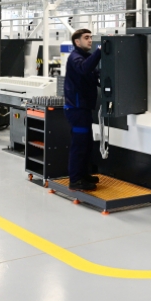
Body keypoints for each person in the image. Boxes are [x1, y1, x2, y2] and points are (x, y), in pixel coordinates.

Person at [63, 28, 102, 191]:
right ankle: (75, 180)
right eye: (86, 37)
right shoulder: (75, 57)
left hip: (84, 108)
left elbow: (94, 76)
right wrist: (100, 51)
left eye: (91, 37)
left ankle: (84, 174)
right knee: (79, 145)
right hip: (76, 108)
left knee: (86, 144)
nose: (90, 40)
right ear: (77, 42)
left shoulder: (85, 57)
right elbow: (84, 68)